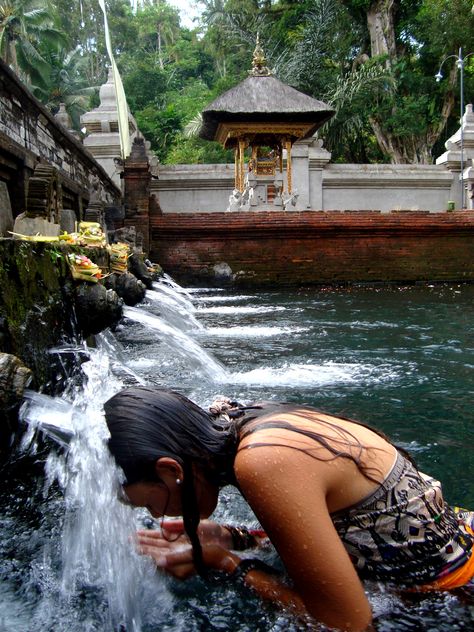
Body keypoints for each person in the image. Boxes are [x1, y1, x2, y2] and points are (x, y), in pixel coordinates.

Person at [104, 387, 474, 632]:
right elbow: (352, 523)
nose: (161, 517)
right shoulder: (245, 424)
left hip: (454, 593)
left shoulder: (262, 461)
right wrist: (236, 537)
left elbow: (347, 624)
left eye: (153, 504)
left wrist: (228, 563)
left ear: (172, 470)